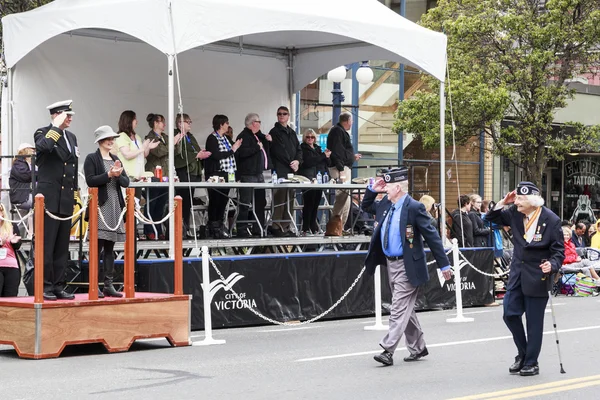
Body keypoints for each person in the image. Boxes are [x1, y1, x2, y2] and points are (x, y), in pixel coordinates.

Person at [362, 167, 452, 367]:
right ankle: (418, 347)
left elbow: (433, 237)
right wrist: (373, 190)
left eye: (387, 186)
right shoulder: (386, 203)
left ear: (398, 187)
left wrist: (444, 265)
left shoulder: (414, 207)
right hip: (390, 263)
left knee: (398, 308)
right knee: (405, 309)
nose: (384, 189)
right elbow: (366, 206)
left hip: (408, 264)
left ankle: (387, 349)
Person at [485, 181, 564, 376]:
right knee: (509, 313)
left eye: (520, 199)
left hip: (538, 276)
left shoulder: (551, 219)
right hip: (517, 275)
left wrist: (552, 265)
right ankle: (523, 352)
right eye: (517, 198)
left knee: (534, 323)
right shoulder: (513, 213)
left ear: (532, 201)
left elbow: (558, 251)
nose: (517, 202)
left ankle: (531, 362)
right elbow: (489, 219)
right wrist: (504, 202)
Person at [34, 100, 78, 301]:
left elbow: (73, 166)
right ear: (56, 115)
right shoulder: (43, 132)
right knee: (47, 244)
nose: (70, 118)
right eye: (66, 115)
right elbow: (44, 147)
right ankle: (45, 285)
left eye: (70, 115)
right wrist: (55, 127)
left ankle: (59, 285)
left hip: (65, 198)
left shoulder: (71, 137)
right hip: (49, 198)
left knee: (62, 246)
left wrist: (75, 192)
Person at [84, 126, 130, 298]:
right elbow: (90, 181)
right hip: (100, 206)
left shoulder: (116, 158)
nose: (111, 141)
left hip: (114, 206)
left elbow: (126, 183)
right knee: (97, 247)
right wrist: (108, 174)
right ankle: (94, 284)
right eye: (108, 139)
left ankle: (108, 284)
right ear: (100, 141)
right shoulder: (92, 158)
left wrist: (117, 175)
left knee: (110, 248)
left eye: (112, 139)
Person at [144, 113, 182, 240]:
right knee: (152, 203)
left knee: (161, 205)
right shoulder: (150, 138)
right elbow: (159, 152)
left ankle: (159, 230)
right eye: (162, 122)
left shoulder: (165, 137)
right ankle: (149, 230)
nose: (164, 125)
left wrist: (176, 143)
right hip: (154, 174)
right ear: (155, 123)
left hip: (166, 175)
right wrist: (172, 143)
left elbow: (175, 152)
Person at [174, 113, 211, 238]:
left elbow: (195, 150)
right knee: (182, 201)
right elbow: (179, 155)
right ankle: (180, 230)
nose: (190, 124)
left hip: (193, 172)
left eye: (190, 122)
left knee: (188, 202)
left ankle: (185, 229)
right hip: (184, 172)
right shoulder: (176, 135)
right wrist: (197, 155)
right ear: (180, 124)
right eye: (187, 122)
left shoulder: (190, 136)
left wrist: (201, 153)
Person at [205, 114, 242, 239]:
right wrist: (232, 149)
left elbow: (234, 152)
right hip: (216, 173)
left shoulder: (226, 138)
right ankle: (213, 225)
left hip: (227, 174)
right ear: (221, 124)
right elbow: (216, 155)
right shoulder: (212, 138)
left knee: (223, 200)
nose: (228, 125)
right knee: (215, 200)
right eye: (226, 123)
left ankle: (220, 224)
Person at [235, 113, 271, 237]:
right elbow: (243, 153)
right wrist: (256, 147)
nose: (260, 124)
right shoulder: (243, 136)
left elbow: (264, 142)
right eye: (259, 122)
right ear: (253, 123)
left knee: (260, 202)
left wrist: (267, 139)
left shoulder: (257, 136)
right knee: (245, 203)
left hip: (258, 173)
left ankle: (259, 228)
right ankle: (242, 229)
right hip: (248, 174)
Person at [268, 106, 302, 237]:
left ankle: (286, 226)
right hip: (280, 170)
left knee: (290, 198)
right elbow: (278, 150)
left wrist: (297, 162)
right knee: (279, 198)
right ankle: (276, 226)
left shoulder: (292, 132)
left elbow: (299, 150)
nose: (281, 116)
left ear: (288, 116)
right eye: (279, 114)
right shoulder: (274, 132)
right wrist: (291, 162)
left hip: (291, 170)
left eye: (284, 114)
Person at [327, 112, 361, 230]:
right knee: (342, 197)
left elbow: (342, 152)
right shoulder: (337, 131)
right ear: (346, 121)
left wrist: (352, 157)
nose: (352, 124)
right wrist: (341, 169)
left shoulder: (340, 132)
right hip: (341, 169)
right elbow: (337, 152)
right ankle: (335, 225)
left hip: (344, 167)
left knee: (346, 198)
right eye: (351, 121)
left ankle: (340, 227)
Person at [298, 128, 331, 235]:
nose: (310, 139)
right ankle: (305, 228)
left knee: (316, 204)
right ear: (304, 138)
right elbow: (308, 162)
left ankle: (314, 227)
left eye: (312, 137)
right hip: (308, 178)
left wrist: (326, 156)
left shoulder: (318, 149)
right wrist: (322, 156)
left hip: (319, 178)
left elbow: (326, 163)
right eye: (308, 137)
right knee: (308, 204)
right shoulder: (302, 148)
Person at [114, 110, 157, 180]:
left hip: (140, 176)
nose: (137, 121)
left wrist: (148, 147)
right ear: (128, 121)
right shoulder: (121, 136)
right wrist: (142, 148)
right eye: (134, 119)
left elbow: (143, 154)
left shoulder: (137, 136)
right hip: (128, 176)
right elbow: (127, 155)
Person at [9, 143, 36, 237]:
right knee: (38, 204)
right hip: (21, 196)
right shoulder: (18, 164)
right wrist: (42, 174)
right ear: (25, 151)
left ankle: (34, 232)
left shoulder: (30, 164)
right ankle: (32, 233)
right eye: (32, 149)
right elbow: (27, 176)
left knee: (41, 202)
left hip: (28, 194)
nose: (34, 151)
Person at [0, 204, 22, 297]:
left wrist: (14, 242)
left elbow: (18, 246)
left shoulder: (12, 225)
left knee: (11, 297)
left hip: (12, 267)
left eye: (1, 211)